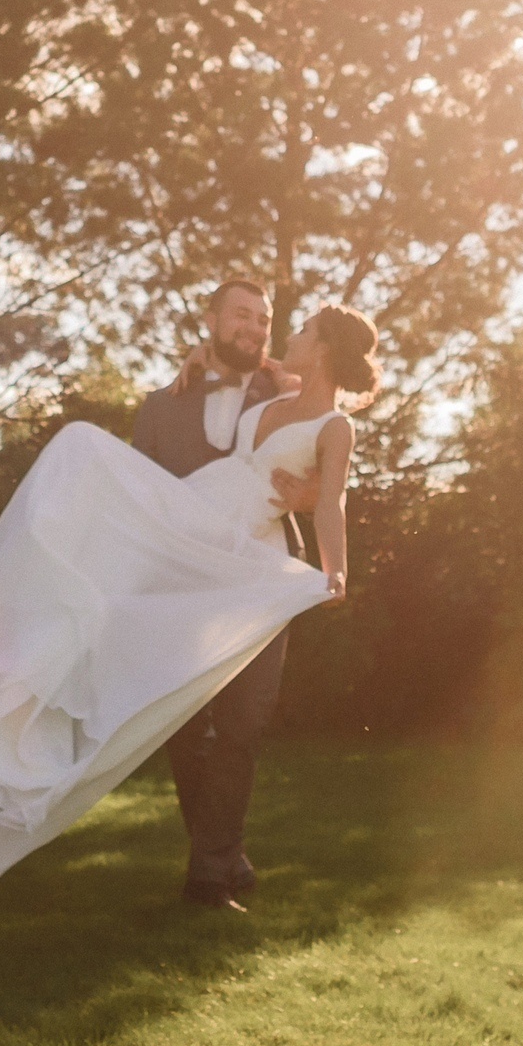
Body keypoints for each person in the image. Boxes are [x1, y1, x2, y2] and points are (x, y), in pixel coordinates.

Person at [0, 301, 380, 897]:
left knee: (239, 721)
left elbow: (331, 498)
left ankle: (217, 861)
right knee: (85, 470)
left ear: (325, 349)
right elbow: (262, 362)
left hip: (247, 555)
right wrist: (204, 353)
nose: (287, 335)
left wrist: (335, 570)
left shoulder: (336, 426)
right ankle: (210, 852)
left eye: (304, 330)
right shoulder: (279, 392)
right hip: (197, 521)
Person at [131, 279, 319, 910]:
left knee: (244, 721)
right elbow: (139, 498)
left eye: (263, 319)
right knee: (187, 725)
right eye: (241, 315)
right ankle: (222, 853)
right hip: (184, 586)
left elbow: (328, 469)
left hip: (262, 580)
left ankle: (208, 875)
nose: (255, 327)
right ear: (210, 319)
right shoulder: (159, 408)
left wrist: (309, 496)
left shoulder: (290, 394)